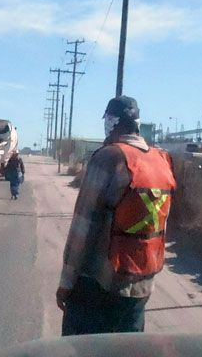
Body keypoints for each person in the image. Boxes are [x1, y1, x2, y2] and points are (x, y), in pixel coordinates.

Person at [56, 95, 176, 335]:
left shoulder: (108, 158)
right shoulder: (161, 160)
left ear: (112, 122)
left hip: (99, 284)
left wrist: (67, 282)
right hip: (141, 286)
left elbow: (83, 226)